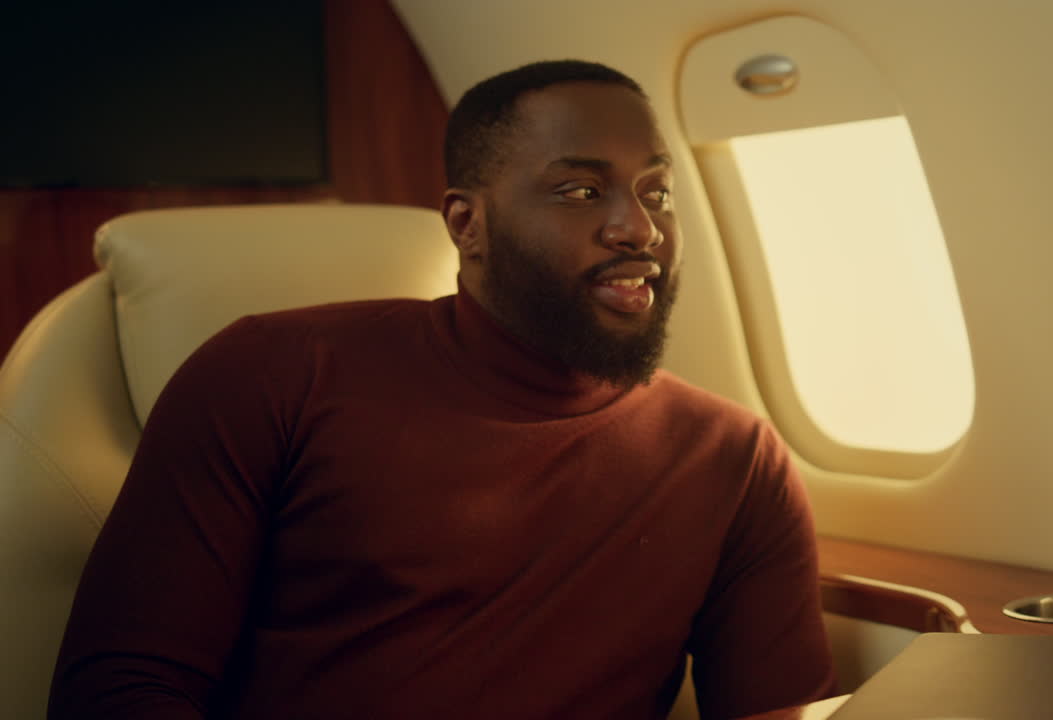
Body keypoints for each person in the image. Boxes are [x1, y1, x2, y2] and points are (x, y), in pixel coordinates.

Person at [49, 60, 836, 720]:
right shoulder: (270, 375)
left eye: (656, 192)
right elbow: (120, 692)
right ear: (467, 225)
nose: (641, 229)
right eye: (580, 191)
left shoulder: (736, 460)